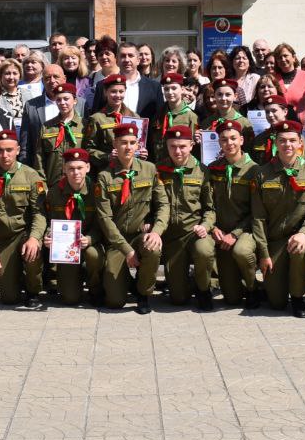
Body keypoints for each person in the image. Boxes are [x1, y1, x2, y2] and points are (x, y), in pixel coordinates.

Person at [250, 119, 305, 316]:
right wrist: (263, 253)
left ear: (300, 142)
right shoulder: (262, 173)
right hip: (274, 240)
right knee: (277, 302)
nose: (287, 145)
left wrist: (304, 233)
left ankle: (298, 297)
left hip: (299, 236)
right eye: (282, 140)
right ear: (275, 143)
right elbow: (258, 217)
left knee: (298, 250)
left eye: (292, 140)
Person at [93, 122, 168, 313]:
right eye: (123, 142)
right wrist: (127, 251)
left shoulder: (150, 169)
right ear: (115, 145)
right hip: (117, 241)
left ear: (138, 145)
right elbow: (105, 219)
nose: (128, 147)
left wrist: (157, 231)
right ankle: (127, 281)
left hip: (140, 235)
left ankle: (143, 293)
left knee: (153, 247)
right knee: (115, 301)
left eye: (132, 143)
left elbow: (163, 204)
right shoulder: (104, 177)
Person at [0, 129, 47, 308]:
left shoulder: (31, 176)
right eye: (0, 150)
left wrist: (34, 238)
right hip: (3, 239)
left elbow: (39, 213)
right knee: (9, 298)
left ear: (18, 150)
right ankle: (15, 280)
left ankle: (32, 291)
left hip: (25, 234)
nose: (5, 155)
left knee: (32, 253)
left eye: (9, 150)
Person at [204, 119, 259, 308]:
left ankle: (253, 287)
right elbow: (208, 204)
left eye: (233, 138)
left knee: (241, 251)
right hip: (221, 232)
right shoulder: (213, 168)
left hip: (245, 230)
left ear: (242, 140)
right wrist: (213, 227)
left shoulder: (254, 170)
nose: (229, 143)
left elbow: (257, 211)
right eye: (224, 139)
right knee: (232, 298)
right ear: (219, 142)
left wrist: (235, 234)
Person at [155, 126, 212, 308]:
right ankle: (188, 282)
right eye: (173, 146)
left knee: (204, 251)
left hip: (194, 232)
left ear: (192, 145)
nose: (177, 151)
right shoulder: (159, 170)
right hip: (172, 236)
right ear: (167, 146)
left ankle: (204, 289)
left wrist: (205, 226)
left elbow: (210, 208)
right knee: (178, 299)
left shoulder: (202, 170)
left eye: (182, 146)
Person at [43, 148, 104, 306]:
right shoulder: (54, 193)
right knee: (70, 298)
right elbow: (49, 220)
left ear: (88, 168)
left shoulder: (96, 191)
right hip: (67, 249)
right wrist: (49, 236)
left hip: (90, 243)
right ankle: (75, 277)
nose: (75, 172)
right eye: (71, 168)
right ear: (64, 169)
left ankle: (94, 288)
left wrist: (89, 239)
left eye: (79, 168)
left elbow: (102, 223)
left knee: (93, 255)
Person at [21, 64, 86, 167]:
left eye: (56, 77)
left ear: (64, 79)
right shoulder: (31, 106)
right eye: (47, 78)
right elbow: (26, 143)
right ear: (42, 81)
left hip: (75, 167)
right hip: (43, 166)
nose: (52, 81)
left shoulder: (81, 104)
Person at [83, 74, 139, 172]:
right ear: (105, 92)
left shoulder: (134, 117)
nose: (118, 95)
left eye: (121, 91)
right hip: (108, 172)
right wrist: (107, 156)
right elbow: (88, 149)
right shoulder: (97, 119)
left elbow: (139, 143)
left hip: (131, 171)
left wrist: (141, 152)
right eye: (113, 91)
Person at [33, 83, 83, 186]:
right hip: (53, 184)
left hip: (78, 184)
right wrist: (42, 184)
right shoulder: (47, 127)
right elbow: (39, 158)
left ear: (75, 100)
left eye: (66, 99)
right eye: (58, 100)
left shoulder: (84, 125)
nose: (62, 103)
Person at [150, 73, 198, 164]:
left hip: (181, 165)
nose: (170, 92)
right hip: (160, 164)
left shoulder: (191, 116)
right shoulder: (158, 115)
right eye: (166, 89)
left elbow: (194, 145)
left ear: (182, 89)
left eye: (174, 88)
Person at [117, 42, 164, 119]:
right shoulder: (103, 86)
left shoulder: (154, 87)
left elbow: (160, 118)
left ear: (138, 60)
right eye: (123, 56)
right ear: (117, 60)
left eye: (130, 55)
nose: (127, 59)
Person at [272, 43, 305, 108]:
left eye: (285, 56)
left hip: (301, 113)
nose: (283, 59)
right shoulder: (273, 79)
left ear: (293, 57)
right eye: (279, 57)